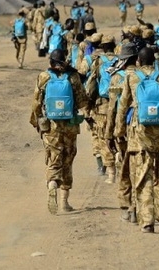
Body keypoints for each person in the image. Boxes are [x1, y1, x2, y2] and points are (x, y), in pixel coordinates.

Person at [115, 47, 159, 233]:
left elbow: (123, 105)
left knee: (143, 178)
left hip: (139, 136)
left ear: (138, 62)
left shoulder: (131, 77)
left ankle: (147, 221)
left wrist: (118, 132)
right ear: (155, 61)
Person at [29, 49, 88, 214]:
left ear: (50, 62)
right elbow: (82, 100)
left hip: (51, 126)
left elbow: (36, 103)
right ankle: (64, 202)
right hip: (69, 125)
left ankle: (52, 183)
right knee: (68, 160)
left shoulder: (44, 77)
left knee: (54, 157)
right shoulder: (73, 77)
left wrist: (36, 122)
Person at [105, 43, 139, 222]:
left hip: (124, 131)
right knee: (139, 168)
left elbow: (113, 109)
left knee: (125, 168)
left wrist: (110, 134)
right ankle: (137, 206)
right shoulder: (144, 76)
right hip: (142, 131)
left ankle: (127, 207)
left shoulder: (117, 78)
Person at [85, 34, 117, 183]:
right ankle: (119, 158)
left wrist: (88, 106)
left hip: (103, 106)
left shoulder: (98, 62)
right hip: (119, 103)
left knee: (102, 137)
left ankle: (109, 172)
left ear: (103, 48)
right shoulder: (122, 61)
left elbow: (91, 86)